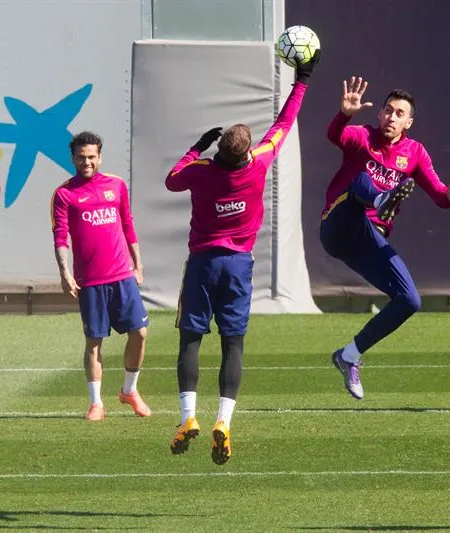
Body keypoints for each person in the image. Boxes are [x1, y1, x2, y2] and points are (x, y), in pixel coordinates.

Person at [164, 52, 319, 465]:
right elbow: (284, 124)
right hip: (238, 267)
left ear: (219, 152)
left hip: (201, 264)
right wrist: (302, 78)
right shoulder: (259, 163)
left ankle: (187, 418)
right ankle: (223, 422)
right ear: (247, 153)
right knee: (234, 344)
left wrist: (197, 146)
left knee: (190, 339)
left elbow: (171, 180)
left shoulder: (200, 171)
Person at [321, 77, 450, 400]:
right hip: (337, 222)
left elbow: (440, 196)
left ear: (409, 122)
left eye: (399, 113)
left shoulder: (414, 153)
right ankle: (380, 200)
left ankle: (348, 355)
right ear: (379, 114)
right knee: (362, 179)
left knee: (409, 300)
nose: (391, 117)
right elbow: (335, 135)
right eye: (387, 110)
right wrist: (344, 114)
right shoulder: (363, 136)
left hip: (367, 238)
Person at [51, 131, 151, 422]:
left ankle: (129, 391)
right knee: (94, 341)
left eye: (91, 157)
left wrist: (138, 264)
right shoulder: (64, 194)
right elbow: (60, 237)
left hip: (122, 276)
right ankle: (96, 403)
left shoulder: (116, 185)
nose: (87, 162)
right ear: (73, 158)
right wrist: (64, 272)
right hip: (90, 282)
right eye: (81, 157)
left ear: (100, 156)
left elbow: (128, 225)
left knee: (141, 333)